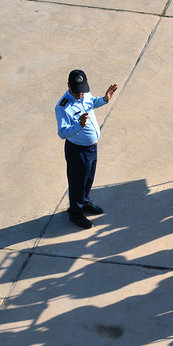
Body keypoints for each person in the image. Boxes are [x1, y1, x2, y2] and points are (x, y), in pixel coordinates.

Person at [55, 69, 118, 229]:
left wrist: (104, 99)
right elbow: (62, 133)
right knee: (77, 181)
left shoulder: (85, 93)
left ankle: (85, 202)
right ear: (69, 86)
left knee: (89, 178)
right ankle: (75, 213)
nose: (80, 95)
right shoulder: (63, 106)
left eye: (82, 91)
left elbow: (92, 102)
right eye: (77, 92)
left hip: (91, 147)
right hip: (77, 150)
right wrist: (79, 125)